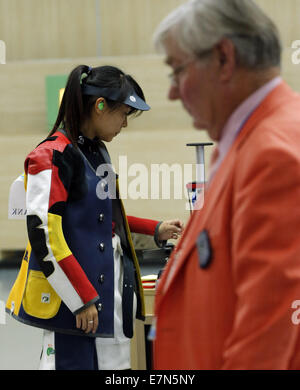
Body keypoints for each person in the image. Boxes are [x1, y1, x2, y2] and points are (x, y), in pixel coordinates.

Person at [152, 0, 300, 369]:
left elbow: (267, 339)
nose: (172, 93)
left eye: (177, 71)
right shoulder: (242, 144)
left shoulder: (273, 156)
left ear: (223, 58)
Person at [6, 64, 183, 370]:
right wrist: (82, 298)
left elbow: (105, 222)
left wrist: (156, 229)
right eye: (123, 113)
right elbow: (45, 238)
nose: (125, 123)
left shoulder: (97, 151)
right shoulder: (50, 156)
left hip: (108, 298)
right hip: (75, 305)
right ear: (100, 106)